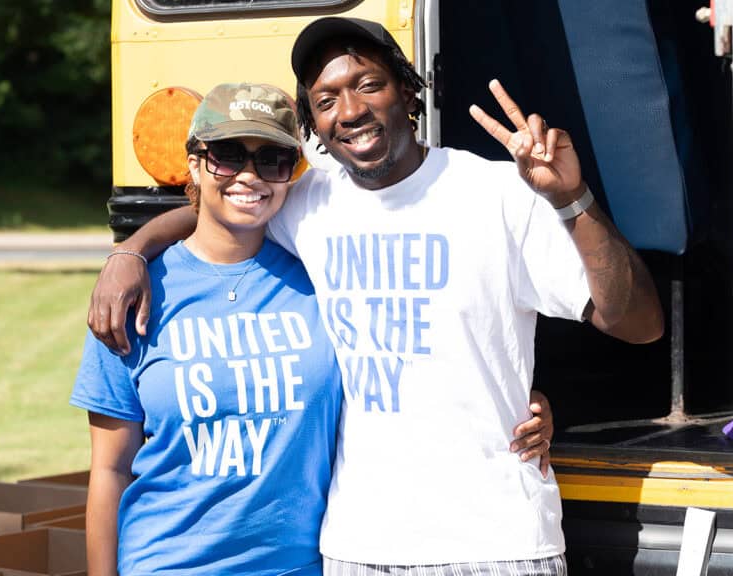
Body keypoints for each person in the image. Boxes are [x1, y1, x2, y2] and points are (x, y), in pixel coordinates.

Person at [88, 17, 662, 575]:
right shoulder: (308, 203)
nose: (350, 111)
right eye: (326, 99)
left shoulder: (496, 194)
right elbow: (220, 206)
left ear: (408, 92)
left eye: (368, 85)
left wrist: (572, 199)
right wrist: (130, 251)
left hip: (495, 541)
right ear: (314, 124)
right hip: (357, 547)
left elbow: (638, 322)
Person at [72, 83, 343, 575]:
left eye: (272, 160)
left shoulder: (323, 278)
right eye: (228, 155)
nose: (249, 175)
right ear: (195, 164)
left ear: (292, 173)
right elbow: (109, 470)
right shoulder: (132, 295)